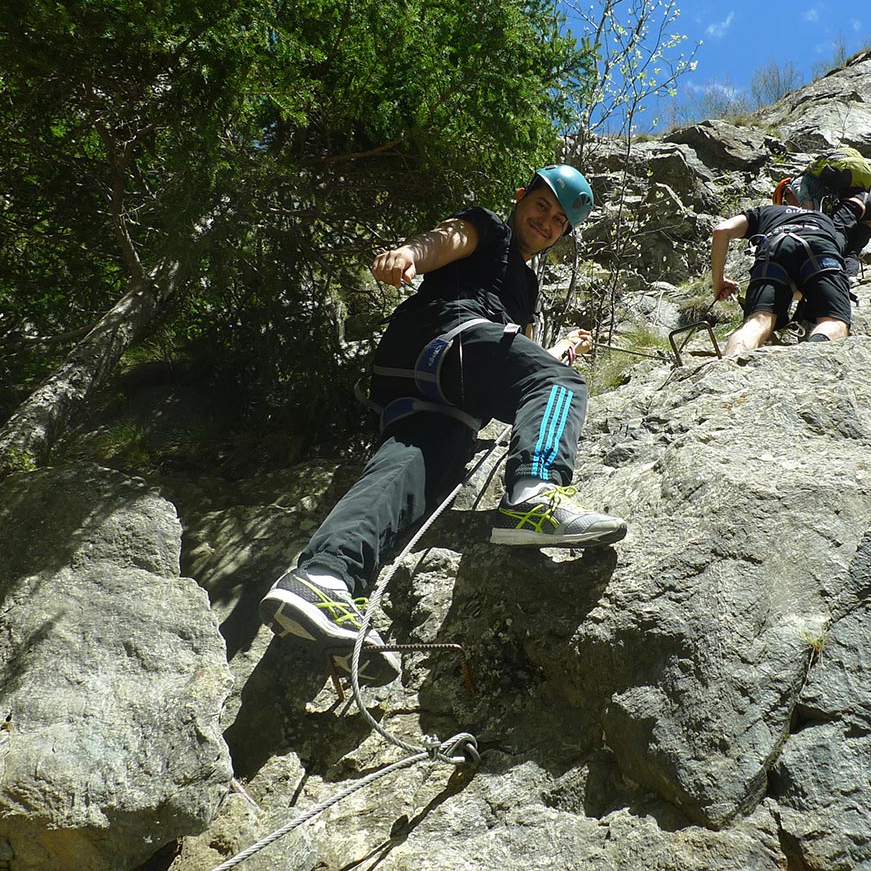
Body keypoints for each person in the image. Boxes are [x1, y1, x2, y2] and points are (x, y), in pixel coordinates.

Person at [260, 164, 627, 683]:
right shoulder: (490, 230)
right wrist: (409, 255)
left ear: (562, 236)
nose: (547, 222)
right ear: (521, 198)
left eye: (558, 221)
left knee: (404, 474)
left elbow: (514, 363)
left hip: (431, 392)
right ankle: (536, 494)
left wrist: (556, 350)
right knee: (563, 384)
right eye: (542, 207)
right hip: (444, 340)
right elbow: (446, 239)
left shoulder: (528, 289)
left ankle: (323, 579)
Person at [711, 148, 871, 358]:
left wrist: (718, 282)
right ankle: (809, 361)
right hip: (820, 245)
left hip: (775, 245)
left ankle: (729, 370)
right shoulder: (826, 219)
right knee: (833, 321)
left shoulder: (768, 212)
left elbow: (721, 230)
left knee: (757, 322)